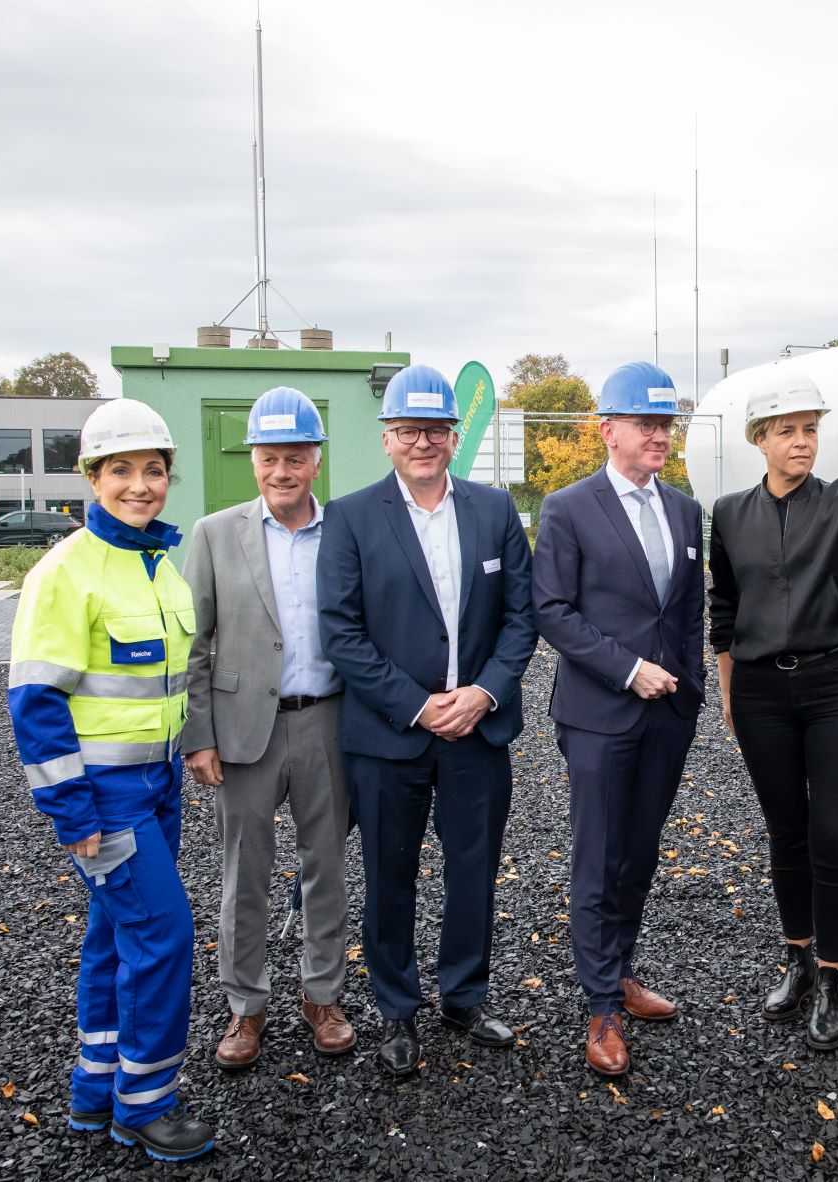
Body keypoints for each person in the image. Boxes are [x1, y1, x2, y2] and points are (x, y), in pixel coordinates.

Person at [6, 399, 215, 1162]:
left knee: (116, 935)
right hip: (105, 795)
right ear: (91, 478)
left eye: (152, 470)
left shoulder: (157, 562)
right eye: (120, 470)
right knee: (164, 935)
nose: (139, 485)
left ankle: (96, 1089)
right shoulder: (65, 570)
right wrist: (71, 811)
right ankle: (145, 1103)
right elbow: (35, 701)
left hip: (156, 786)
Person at [317, 365, 536, 1080]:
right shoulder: (350, 517)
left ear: (453, 435)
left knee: (473, 870)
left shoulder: (493, 509)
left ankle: (464, 999)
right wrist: (416, 704)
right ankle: (397, 1010)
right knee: (390, 875)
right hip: (389, 735)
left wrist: (484, 693)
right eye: (408, 430)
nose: (422, 442)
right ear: (386, 439)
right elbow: (341, 632)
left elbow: (519, 618)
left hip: (478, 727)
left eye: (435, 430)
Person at [709, 373, 838, 1052]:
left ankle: (831, 977)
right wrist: (728, 689)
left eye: (809, 429)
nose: (802, 441)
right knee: (785, 832)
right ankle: (796, 958)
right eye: (787, 431)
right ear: (759, 440)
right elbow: (724, 610)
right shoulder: (729, 512)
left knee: (830, 832)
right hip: (762, 691)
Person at [531, 361, 704, 1078]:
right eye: (646, 424)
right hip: (601, 713)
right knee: (598, 857)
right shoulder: (568, 508)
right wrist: (628, 669)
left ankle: (622, 971)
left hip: (668, 716)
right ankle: (600, 1004)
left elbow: (685, 611)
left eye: (666, 424)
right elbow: (551, 611)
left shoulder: (686, 510)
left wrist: (687, 689)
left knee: (639, 852)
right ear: (608, 430)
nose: (660, 435)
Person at [182, 388, 355, 1070]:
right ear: (252, 460)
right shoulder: (214, 534)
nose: (281, 471)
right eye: (268, 458)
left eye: (294, 458)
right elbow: (193, 644)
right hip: (243, 731)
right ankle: (245, 1007)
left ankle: (323, 997)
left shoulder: (346, 532)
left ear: (316, 461)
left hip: (328, 723)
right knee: (242, 875)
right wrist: (198, 734)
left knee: (327, 870)